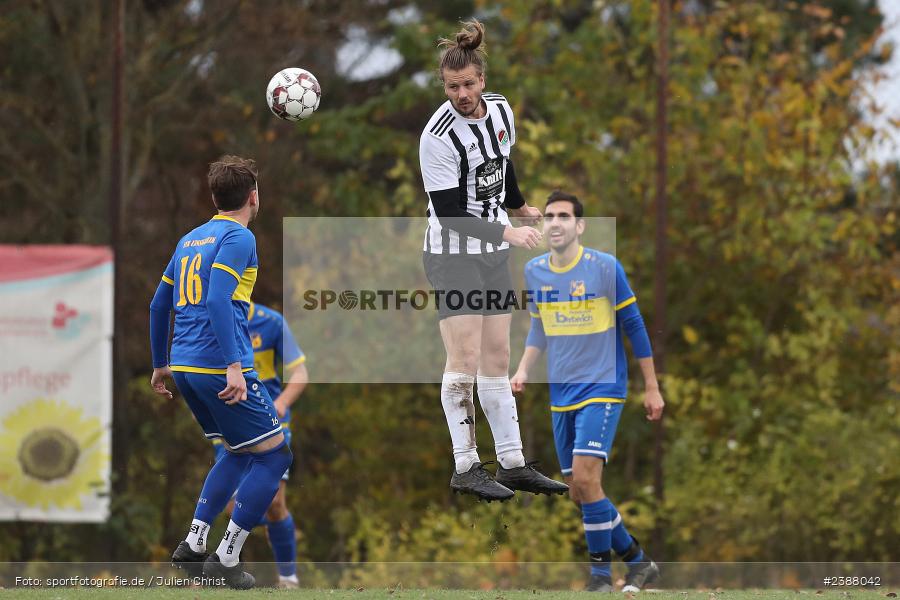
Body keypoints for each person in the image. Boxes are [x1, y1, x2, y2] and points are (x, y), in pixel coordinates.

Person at [418, 19, 567, 501]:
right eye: (451, 86)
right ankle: (465, 464)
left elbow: (503, 164)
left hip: (491, 253)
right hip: (452, 254)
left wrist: (520, 204)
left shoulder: (501, 111)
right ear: (444, 87)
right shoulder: (437, 136)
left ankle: (513, 462)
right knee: (463, 358)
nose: (460, 94)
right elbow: (450, 214)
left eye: (467, 84)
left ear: (482, 80)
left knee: (498, 357)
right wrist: (511, 228)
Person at [148, 156, 292, 589]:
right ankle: (226, 556)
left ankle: (194, 543)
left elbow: (158, 305)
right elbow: (216, 300)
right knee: (274, 456)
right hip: (219, 365)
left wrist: (159, 364)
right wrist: (234, 365)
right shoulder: (239, 236)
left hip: (185, 366)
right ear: (253, 197)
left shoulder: (189, 239)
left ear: (214, 198)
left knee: (236, 450)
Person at [510, 191, 665, 592]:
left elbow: (635, 326)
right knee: (580, 492)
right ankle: (638, 560)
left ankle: (599, 577)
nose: (555, 222)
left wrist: (652, 387)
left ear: (579, 226)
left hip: (603, 385)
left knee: (584, 476)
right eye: (548, 216)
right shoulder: (534, 272)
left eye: (564, 216)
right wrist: (524, 368)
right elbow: (539, 328)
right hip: (561, 392)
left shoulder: (604, 268)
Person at [210, 301, 308, 589]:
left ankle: (288, 579)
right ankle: (278, 529)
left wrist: (281, 402)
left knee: (275, 502)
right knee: (232, 508)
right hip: (231, 422)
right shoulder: (213, 319)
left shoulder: (271, 322)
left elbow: (300, 374)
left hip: (270, 422)